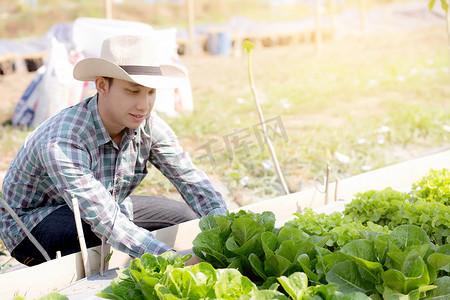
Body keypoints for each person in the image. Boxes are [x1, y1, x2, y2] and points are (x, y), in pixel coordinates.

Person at [0, 35, 227, 266]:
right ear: (101, 85)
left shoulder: (148, 124)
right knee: (99, 237)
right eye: (133, 91)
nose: (144, 105)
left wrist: (226, 232)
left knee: (185, 219)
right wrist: (171, 259)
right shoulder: (64, 139)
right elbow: (103, 218)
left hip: (106, 206)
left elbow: (190, 179)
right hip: (33, 226)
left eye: (150, 93)